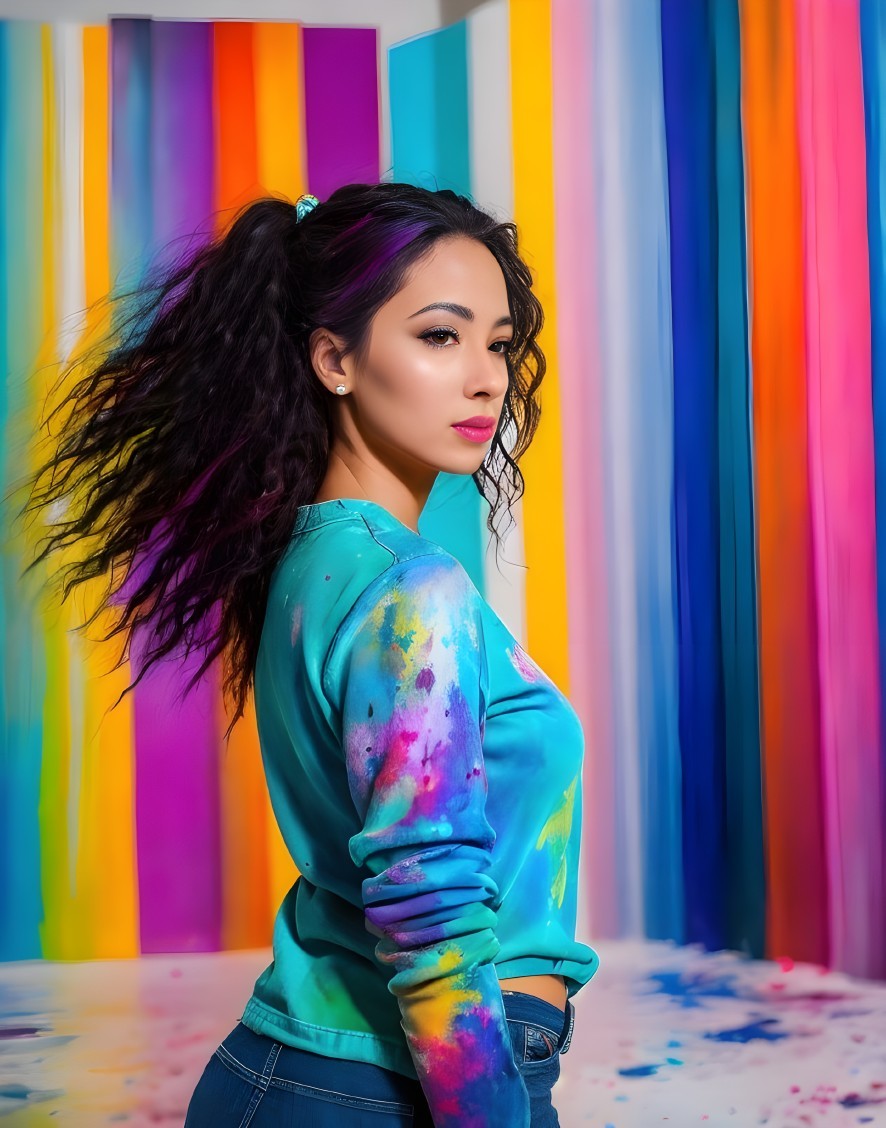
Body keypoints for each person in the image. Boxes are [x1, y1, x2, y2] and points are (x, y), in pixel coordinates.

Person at [22, 183, 599, 1126]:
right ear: (334, 359)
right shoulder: (411, 590)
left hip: (316, 1070)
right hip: (398, 1083)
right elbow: (432, 921)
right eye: (440, 336)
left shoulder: (313, 558)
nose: (488, 377)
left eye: (498, 343)